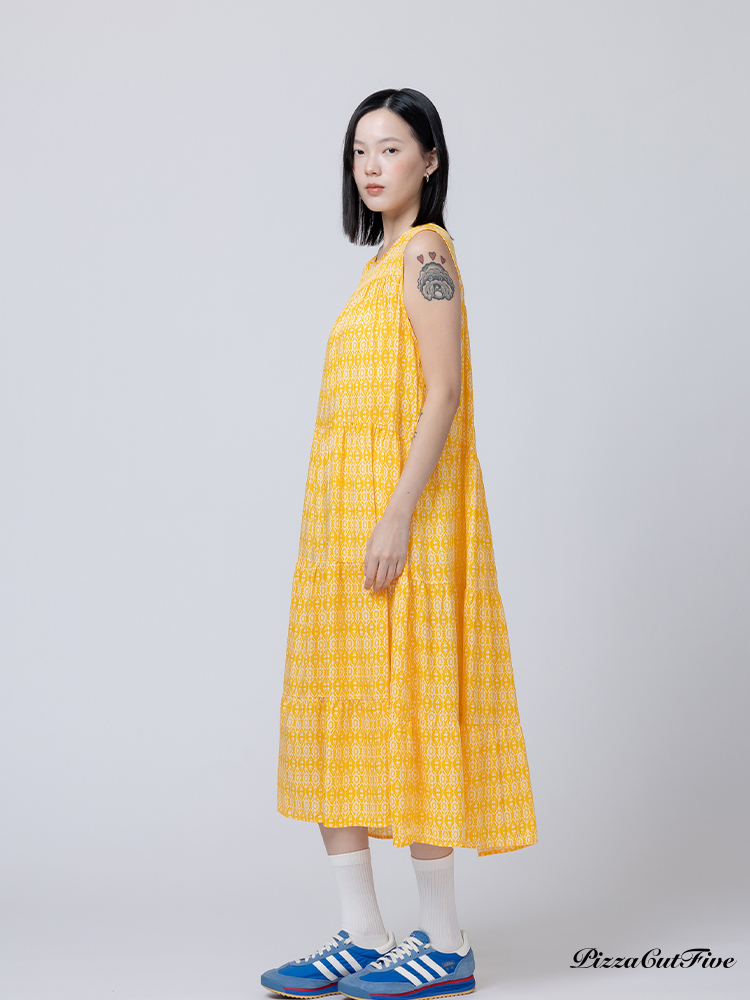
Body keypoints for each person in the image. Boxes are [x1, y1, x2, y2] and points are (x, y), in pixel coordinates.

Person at [261, 88, 537, 999]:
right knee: (339, 709)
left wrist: (397, 515)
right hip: (340, 528)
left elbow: (444, 392)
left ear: (430, 159)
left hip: (400, 520)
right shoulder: (379, 264)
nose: (371, 166)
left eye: (389, 147)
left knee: (414, 703)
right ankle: (363, 932)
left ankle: (444, 941)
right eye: (358, 151)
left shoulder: (426, 253)